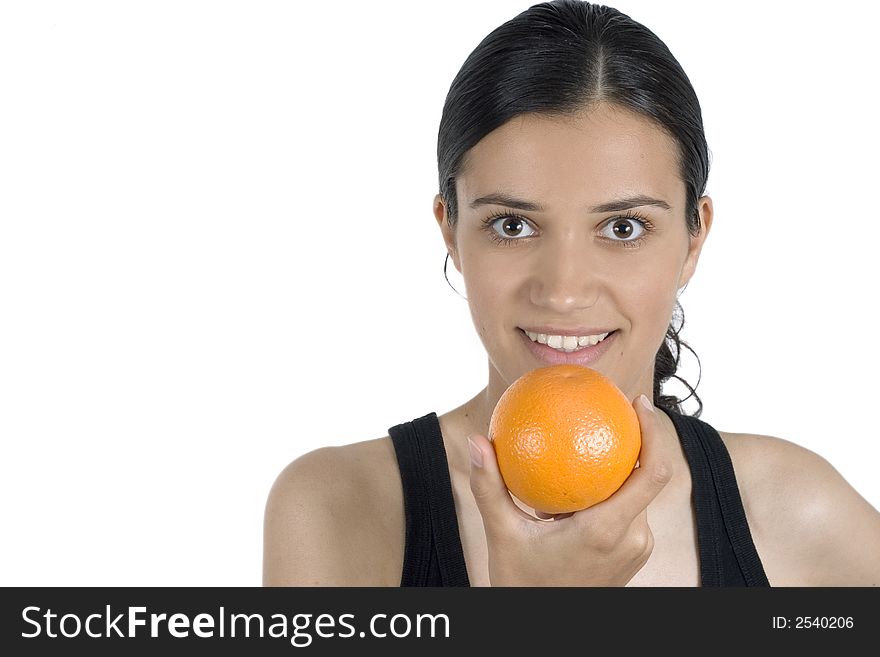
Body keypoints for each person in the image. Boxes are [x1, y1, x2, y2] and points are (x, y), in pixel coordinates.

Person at [262, 0, 880, 586]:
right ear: (450, 230)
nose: (562, 292)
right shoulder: (338, 508)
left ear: (694, 240)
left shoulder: (799, 512)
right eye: (512, 225)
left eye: (622, 228)